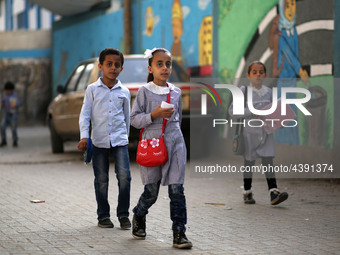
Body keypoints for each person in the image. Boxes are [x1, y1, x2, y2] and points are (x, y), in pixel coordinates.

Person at [130, 48, 192, 249]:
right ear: (150, 68)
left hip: (174, 143)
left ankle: (179, 232)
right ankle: (139, 214)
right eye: (159, 64)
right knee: (151, 192)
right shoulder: (144, 92)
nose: (165, 68)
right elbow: (134, 120)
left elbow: (178, 120)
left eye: (168, 64)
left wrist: (175, 138)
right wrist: (153, 115)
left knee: (177, 189)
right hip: (152, 144)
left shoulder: (176, 92)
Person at [77, 48, 132, 229]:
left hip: (119, 141)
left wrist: (126, 138)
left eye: (117, 65)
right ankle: (103, 216)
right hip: (99, 141)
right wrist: (84, 137)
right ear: (100, 66)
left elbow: (127, 117)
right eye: (109, 64)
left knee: (124, 177)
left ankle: (124, 215)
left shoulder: (124, 91)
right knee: (101, 179)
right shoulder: (92, 90)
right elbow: (85, 115)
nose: (113, 68)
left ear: (121, 68)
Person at [229, 61, 288, 205]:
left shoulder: (269, 92)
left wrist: (279, 122)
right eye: (254, 72)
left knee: (268, 161)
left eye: (261, 72)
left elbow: (274, 111)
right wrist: (251, 111)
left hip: (266, 132)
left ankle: (273, 192)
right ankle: (247, 192)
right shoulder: (244, 91)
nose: (258, 75)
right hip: (249, 134)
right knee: (249, 163)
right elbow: (232, 111)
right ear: (248, 75)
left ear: (265, 74)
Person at [1, 81, 22, 147]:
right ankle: (4, 140)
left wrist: (16, 105)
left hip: (13, 114)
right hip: (6, 113)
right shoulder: (4, 96)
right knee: (2, 126)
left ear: (11, 90)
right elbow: (2, 102)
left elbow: (21, 102)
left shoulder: (15, 95)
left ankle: (15, 140)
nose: (7, 91)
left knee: (13, 128)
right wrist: (2, 105)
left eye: (8, 90)